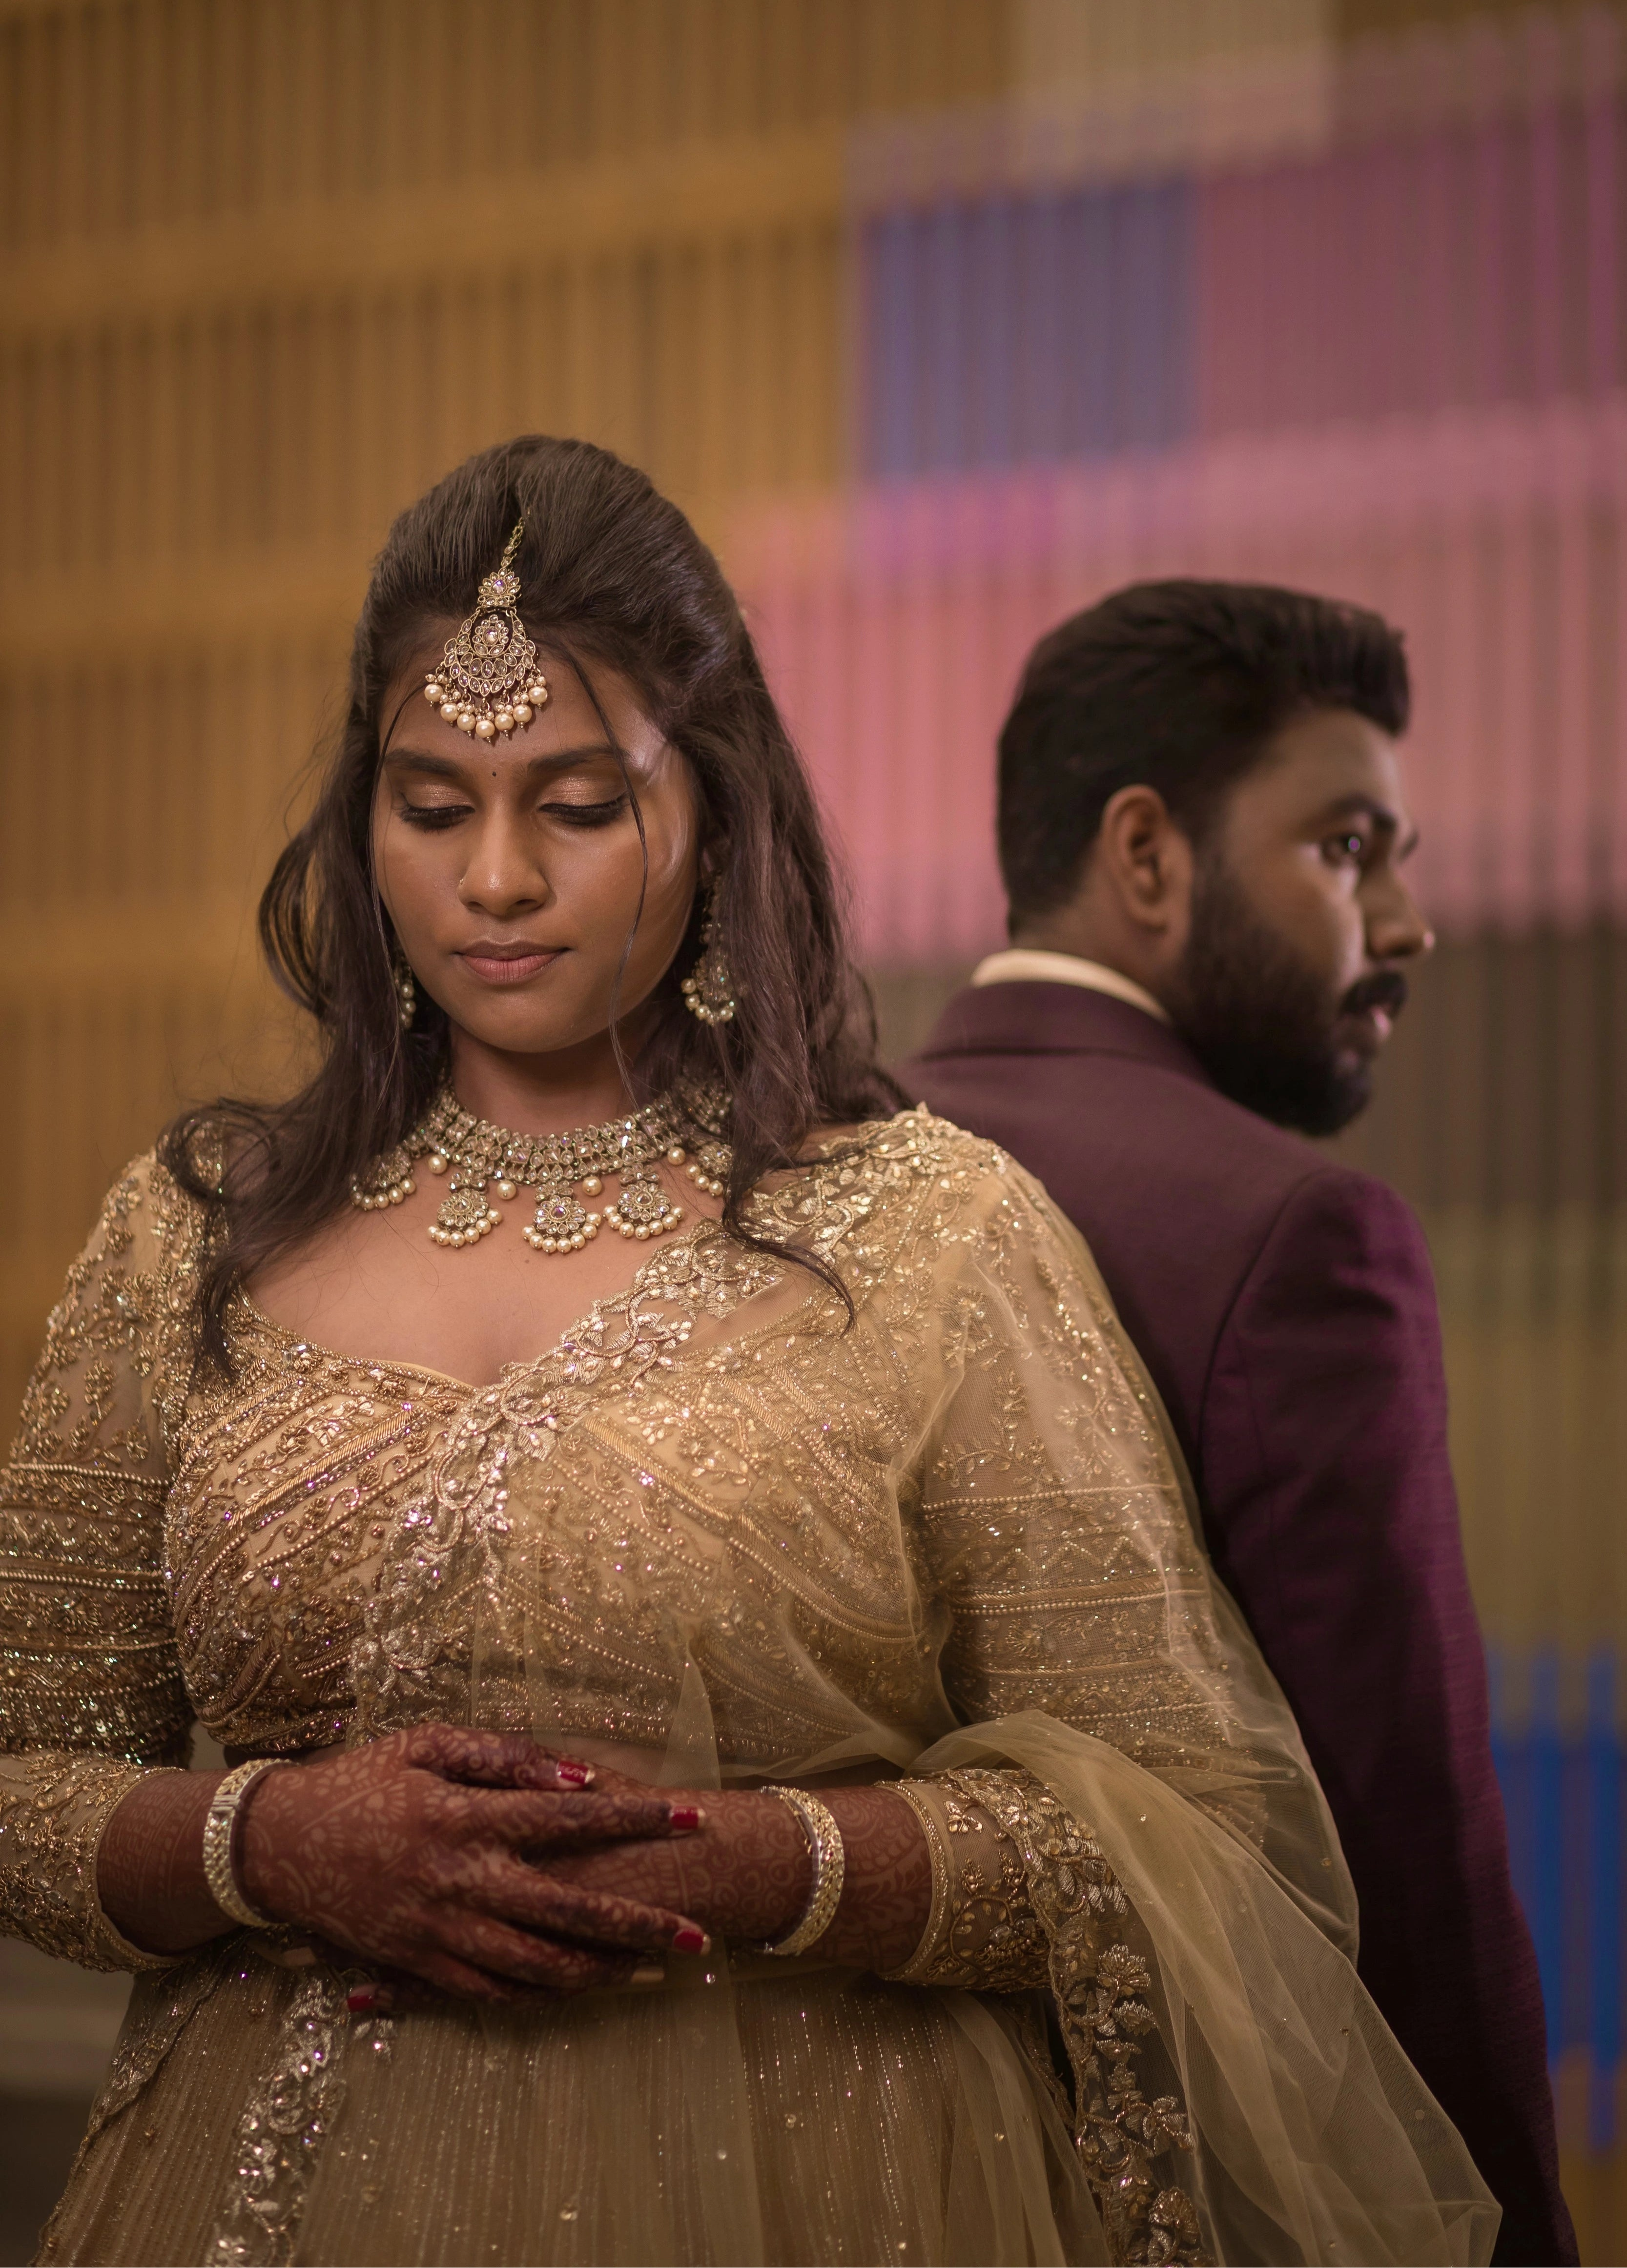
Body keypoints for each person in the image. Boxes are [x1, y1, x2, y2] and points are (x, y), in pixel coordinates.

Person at [0, 454, 1497, 2268]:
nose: (495, 879)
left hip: (825, 2183)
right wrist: (262, 1845)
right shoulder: (194, 1233)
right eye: (430, 805)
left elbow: (1203, 1832)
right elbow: (25, 1780)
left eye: (578, 806)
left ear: (716, 814)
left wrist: (776, 1864)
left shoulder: (930, 1234)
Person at [904, 580, 1575, 2268]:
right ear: (1146, 855)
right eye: (1348, 850)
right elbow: (1400, 1840)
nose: (1405, 925)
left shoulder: (807, 1164)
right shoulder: (1292, 1236)